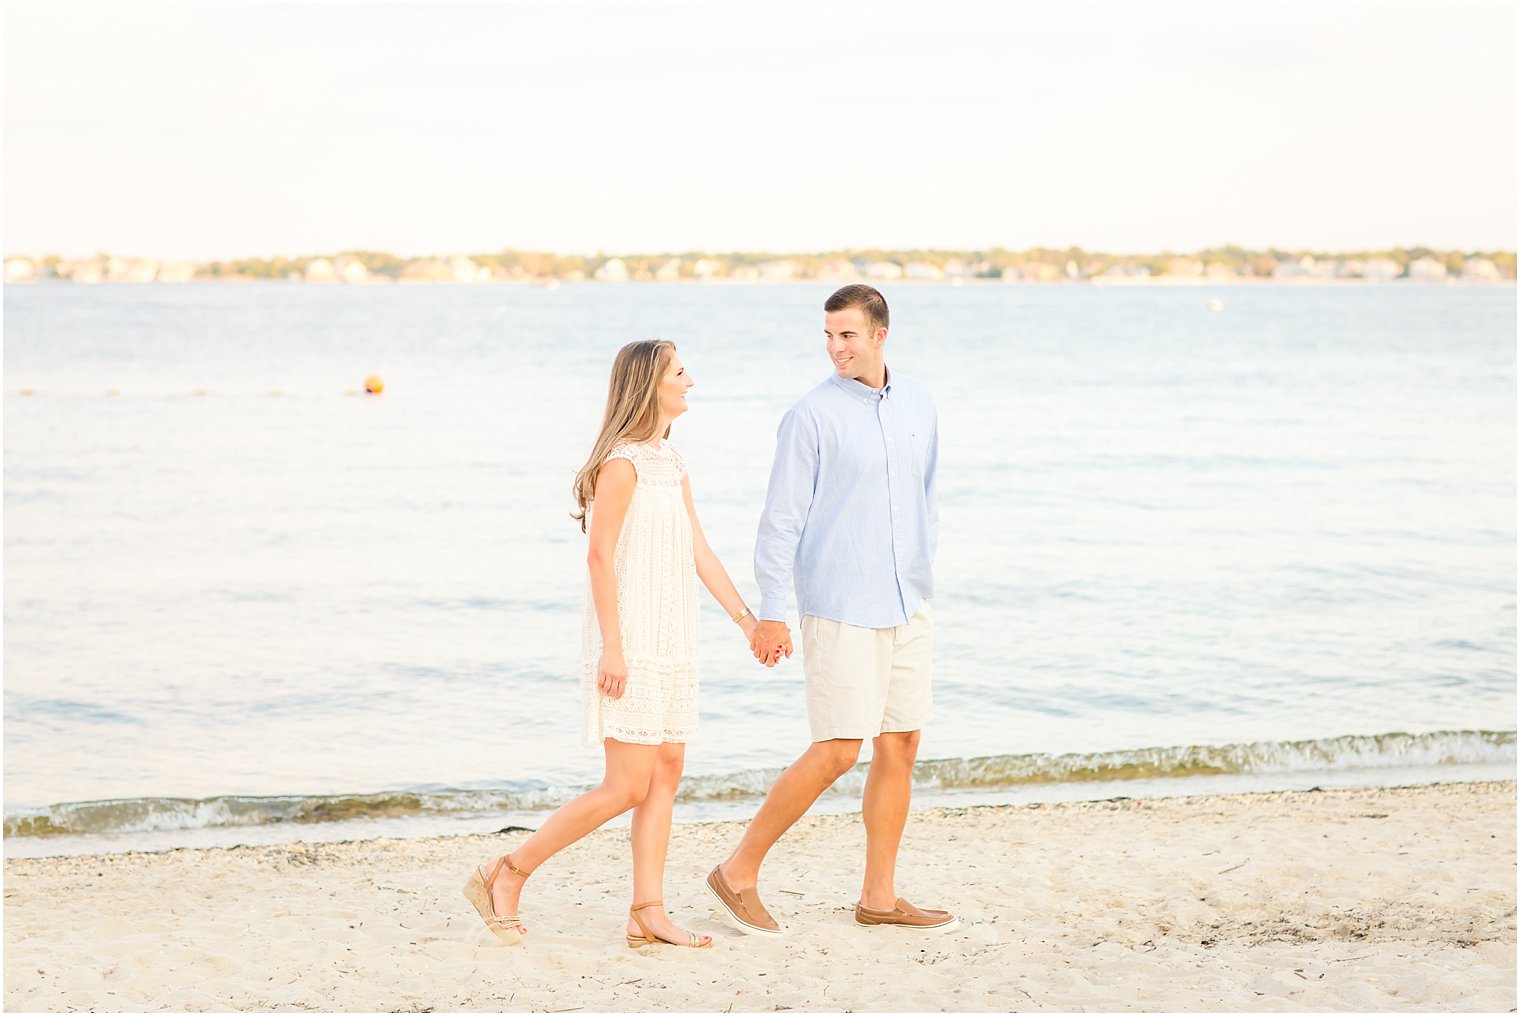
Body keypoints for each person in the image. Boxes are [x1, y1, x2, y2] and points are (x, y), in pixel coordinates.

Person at [464, 339, 767, 949]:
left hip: (673, 634)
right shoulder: (621, 464)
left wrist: (747, 622)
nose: (691, 381)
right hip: (628, 639)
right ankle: (507, 871)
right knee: (626, 785)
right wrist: (613, 647)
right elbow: (599, 556)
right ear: (650, 385)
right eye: (681, 372)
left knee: (666, 773)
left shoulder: (671, 462)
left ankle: (646, 911)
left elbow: (698, 552)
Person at [705, 284, 958, 935]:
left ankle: (879, 897)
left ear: (879, 335)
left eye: (847, 334)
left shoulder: (921, 401)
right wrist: (769, 611)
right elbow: (779, 522)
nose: (835, 347)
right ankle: (737, 871)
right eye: (828, 335)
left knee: (900, 742)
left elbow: (925, 494)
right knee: (839, 750)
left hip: (908, 600)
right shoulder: (810, 415)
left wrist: (924, 576)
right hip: (841, 604)